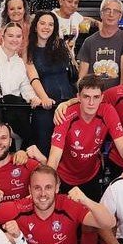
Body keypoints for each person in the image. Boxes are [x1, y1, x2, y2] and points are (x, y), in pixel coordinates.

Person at [30, 76, 123, 202]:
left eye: (96, 97)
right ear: (78, 97)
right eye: (86, 97)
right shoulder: (66, 114)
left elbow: (122, 146)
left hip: (91, 175)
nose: (91, 103)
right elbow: (54, 157)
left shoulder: (108, 111)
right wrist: (48, 186)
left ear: (102, 98)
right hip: (65, 177)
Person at [26, 11, 75, 146]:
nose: (46, 27)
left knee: (68, 144)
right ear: (35, 27)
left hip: (67, 102)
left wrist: (70, 51)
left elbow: (72, 72)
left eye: (51, 24)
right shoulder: (28, 49)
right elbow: (33, 77)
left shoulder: (60, 46)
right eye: (42, 23)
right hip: (45, 106)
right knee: (45, 144)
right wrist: (44, 98)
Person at [77, 0, 123, 90]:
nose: (111, 14)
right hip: (92, 95)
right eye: (107, 10)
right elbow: (82, 77)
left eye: (116, 11)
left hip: (115, 95)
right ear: (101, 14)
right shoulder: (89, 41)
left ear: (120, 16)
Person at [0, 121, 41, 203]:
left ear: (10, 141)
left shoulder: (25, 163)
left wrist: (43, 160)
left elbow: (52, 182)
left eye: (3, 138)